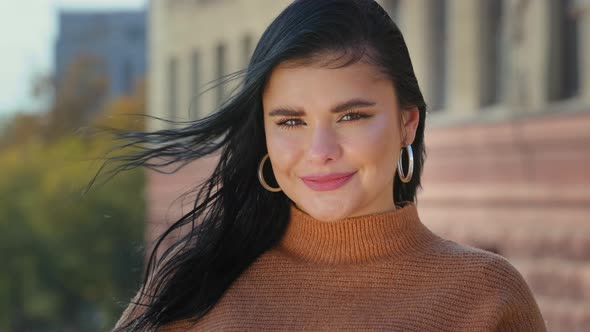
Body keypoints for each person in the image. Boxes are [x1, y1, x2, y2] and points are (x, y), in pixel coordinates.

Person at [113, 0, 547, 330]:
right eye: (291, 121)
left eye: (351, 116)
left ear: (407, 122)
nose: (320, 150)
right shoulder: (191, 286)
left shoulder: (486, 297)